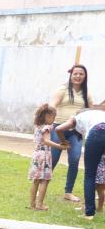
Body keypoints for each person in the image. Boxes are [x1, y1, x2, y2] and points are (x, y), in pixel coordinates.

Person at [49, 65, 91, 203]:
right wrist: (48, 121)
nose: (78, 76)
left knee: (75, 159)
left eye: (81, 74)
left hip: (76, 132)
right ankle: (41, 185)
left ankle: (68, 192)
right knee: (53, 158)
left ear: (85, 76)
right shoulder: (63, 89)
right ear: (71, 75)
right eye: (75, 74)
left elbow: (91, 110)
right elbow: (53, 104)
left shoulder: (87, 93)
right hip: (58, 128)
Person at [55, 106, 105, 220]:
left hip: (97, 132)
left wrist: (63, 141)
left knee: (90, 175)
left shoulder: (77, 118)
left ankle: (89, 213)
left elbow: (58, 129)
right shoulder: (98, 114)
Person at [28, 104, 63, 211]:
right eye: (53, 117)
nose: (54, 120)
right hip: (44, 155)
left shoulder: (37, 126)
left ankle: (32, 204)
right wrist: (59, 146)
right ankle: (40, 204)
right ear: (48, 116)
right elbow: (46, 141)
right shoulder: (46, 128)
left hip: (37, 154)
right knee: (44, 181)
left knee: (36, 181)